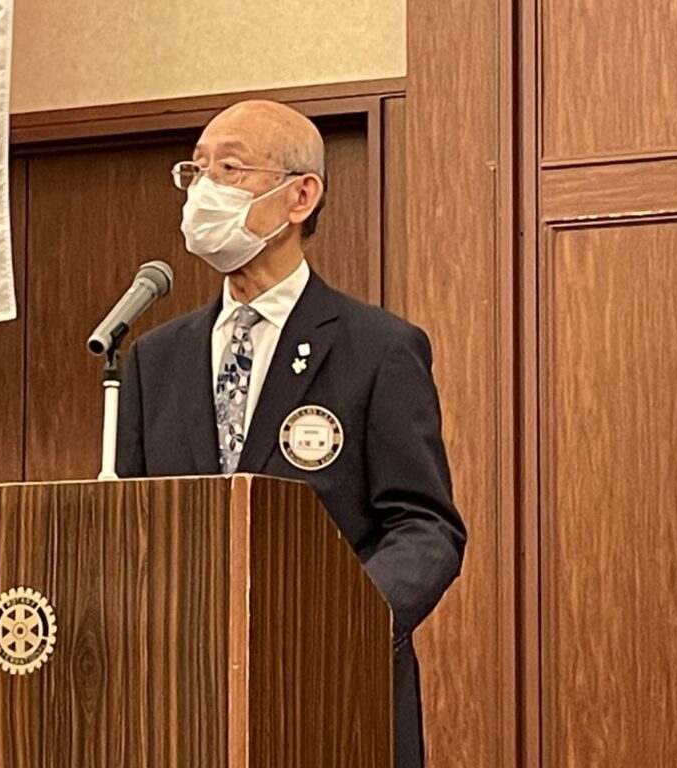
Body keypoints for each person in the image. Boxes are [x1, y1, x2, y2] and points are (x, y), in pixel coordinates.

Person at [117, 99, 466, 768]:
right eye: (195, 171)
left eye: (230, 169)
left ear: (301, 196)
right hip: (183, 701)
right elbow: (130, 524)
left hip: (334, 692)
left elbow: (425, 526)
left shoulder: (378, 348)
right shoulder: (154, 358)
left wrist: (345, 624)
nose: (204, 189)